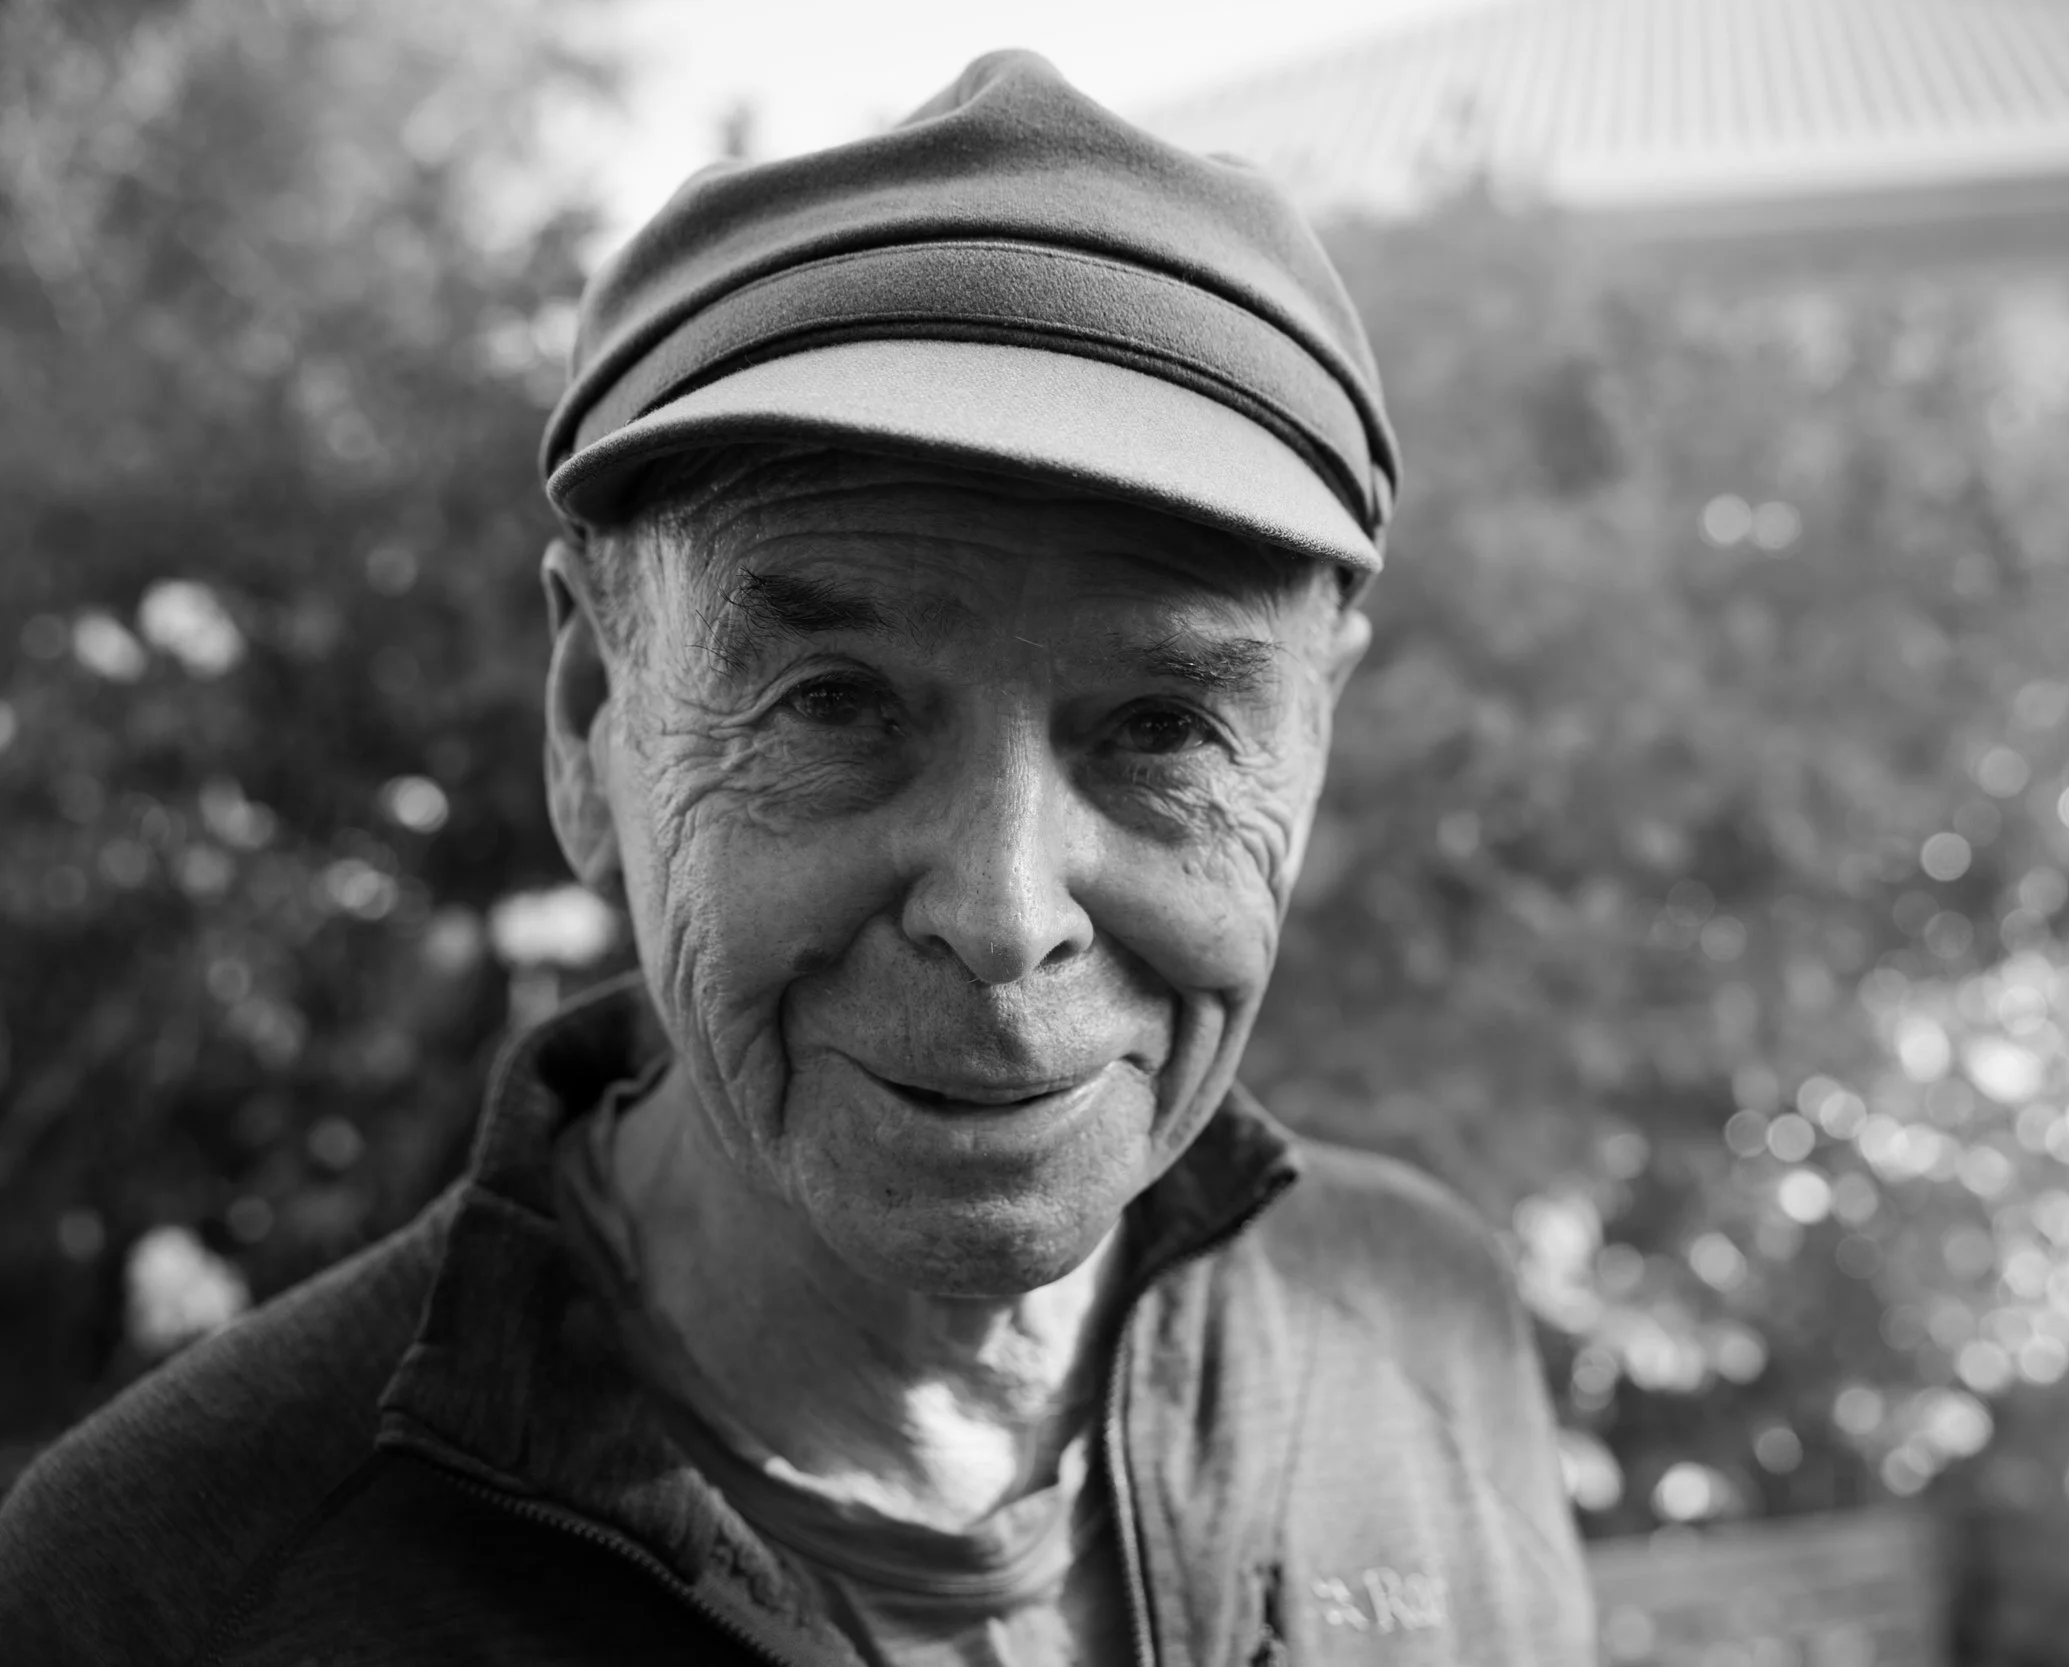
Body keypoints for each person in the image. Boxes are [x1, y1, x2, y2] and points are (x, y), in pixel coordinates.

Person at [0, 51, 1594, 1665]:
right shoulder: (163, 1598)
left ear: (1312, 740)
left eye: (1165, 726)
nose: (1003, 913)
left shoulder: (1426, 1346)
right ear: (593, 720)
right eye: (833, 702)